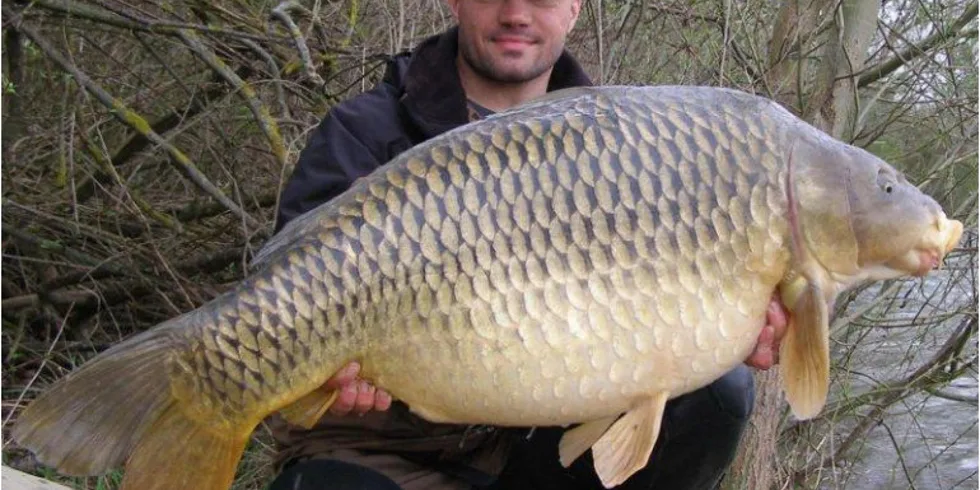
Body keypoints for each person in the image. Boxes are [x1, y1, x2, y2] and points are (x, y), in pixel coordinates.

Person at [267, 1, 789, 489]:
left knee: (720, 393)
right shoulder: (362, 134)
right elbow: (282, 310)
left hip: (540, 444)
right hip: (384, 450)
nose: (516, 13)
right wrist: (328, 377)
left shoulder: (629, 149)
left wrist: (728, 324)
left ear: (575, 7)